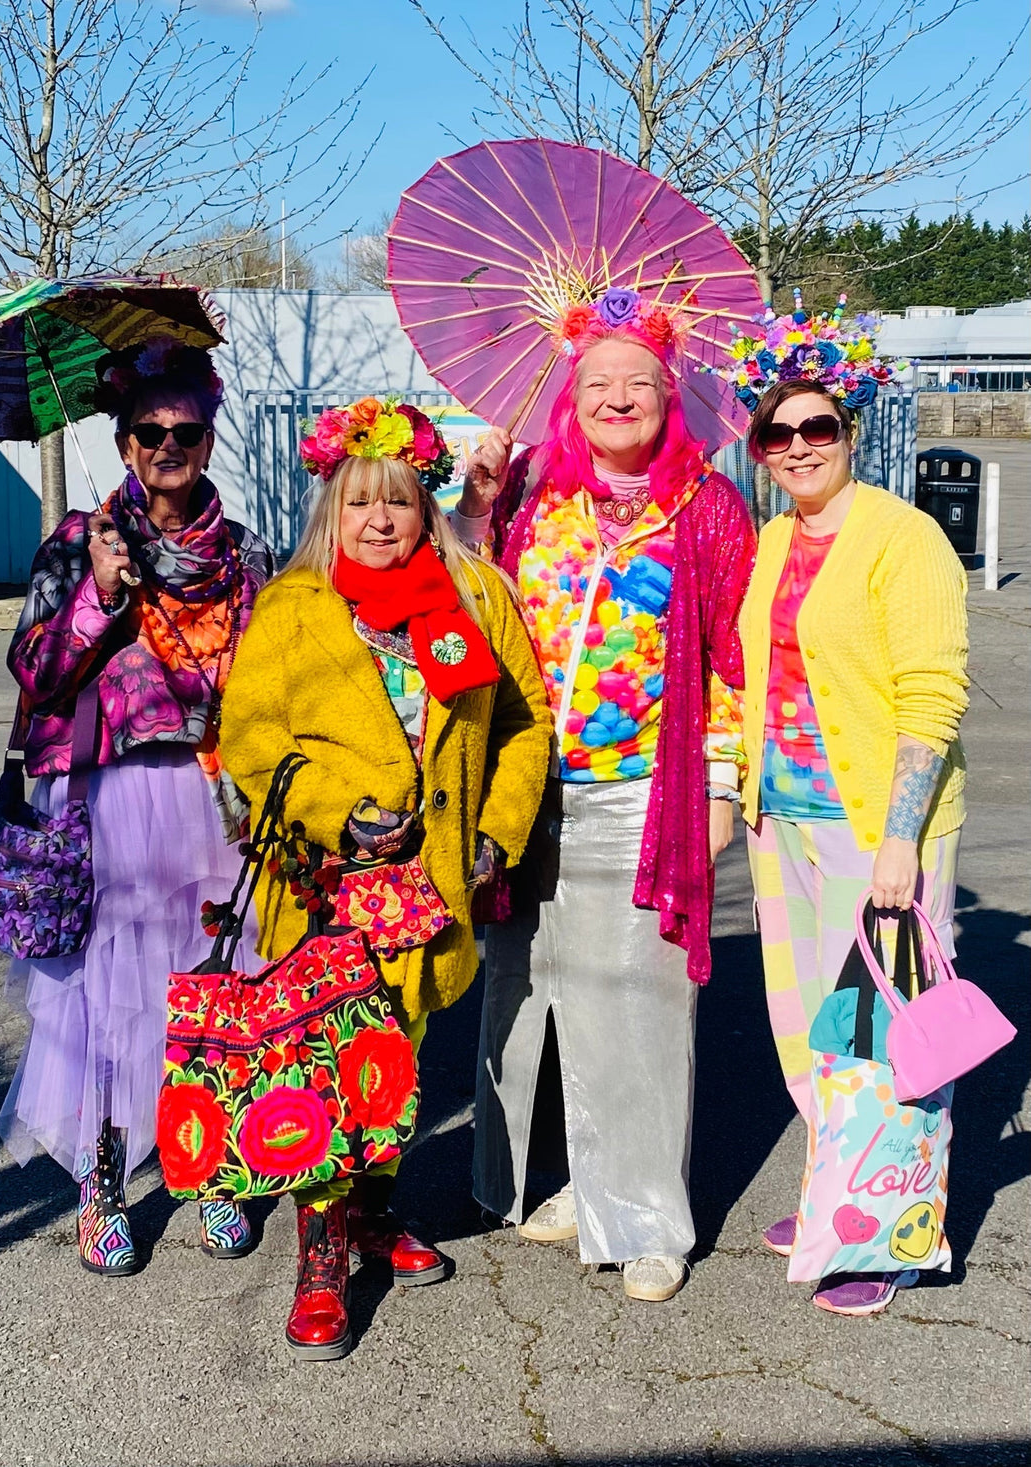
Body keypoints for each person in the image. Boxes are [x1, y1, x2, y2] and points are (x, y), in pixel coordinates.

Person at [219, 397, 551, 1360]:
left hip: (432, 880)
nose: (380, 520)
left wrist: (497, 832)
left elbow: (524, 724)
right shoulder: (293, 607)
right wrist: (335, 810)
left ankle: (371, 1213)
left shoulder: (473, 600)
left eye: (399, 501)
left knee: (394, 1062)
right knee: (325, 1066)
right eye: (361, 501)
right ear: (333, 506)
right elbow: (249, 740)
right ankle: (321, 1256)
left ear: (423, 504)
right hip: (326, 882)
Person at [457, 288, 756, 1302]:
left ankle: (643, 1218)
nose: (615, 396)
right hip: (526, 790)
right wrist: (474, 506)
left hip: (642, 790)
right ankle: (564, 1182)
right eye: (596, 382)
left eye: (636, 381)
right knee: (528, 986)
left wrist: (719, 784)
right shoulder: (534, 493)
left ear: (668, 396)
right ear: (568, 396)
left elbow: (733, 661)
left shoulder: (707, 508)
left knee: (637, 1001)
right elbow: (459, 610)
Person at [0, 338, 274, 1275]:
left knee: (212, 984)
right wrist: (99, 596)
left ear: (206, 438)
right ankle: (103, 1178)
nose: (167, 445)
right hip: (110, 794)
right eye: (149, 431)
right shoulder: (81, 542)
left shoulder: (244, 554)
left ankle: (212, 1163)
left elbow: (273, 680)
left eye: (185, 431)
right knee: (109, 998)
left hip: (211, 796)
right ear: (123, 443)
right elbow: (34, 671)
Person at [728, 297, 969, 1316]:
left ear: (848, 430)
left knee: (887, 1032)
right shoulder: (774, 541)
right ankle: (841, 1191)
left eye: (814, 427)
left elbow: (931, 692)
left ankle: (891, 1229)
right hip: (780, 818)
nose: (795, 446)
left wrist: (898, 841)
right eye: (774, 432)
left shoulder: (899, 537)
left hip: (873, 826)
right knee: (808, 1029)